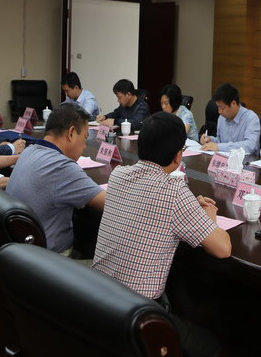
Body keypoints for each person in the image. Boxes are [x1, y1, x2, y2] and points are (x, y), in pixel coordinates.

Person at [93, 112, 231, 357]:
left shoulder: (118, 175)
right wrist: (209, 216)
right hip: (138, 314)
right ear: (178, 156)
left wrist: (190, 207)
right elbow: (223, 248)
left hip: (99, 299)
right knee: (211, 345)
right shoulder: (174, 192)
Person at [7, 103, 105, 255]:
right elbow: (111, 204)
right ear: (71, 132)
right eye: (85, 138)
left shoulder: (28, 151)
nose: (85, 146)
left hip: (19, 252)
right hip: (52, 260)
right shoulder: (62, 167)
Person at [199, 83, 260, 155]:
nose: (219, 111)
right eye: (218, 107)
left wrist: (218, 146)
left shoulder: (251, 118)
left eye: (222, 108)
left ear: (233, 104)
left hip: (246, 160)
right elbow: (220, 141)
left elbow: (250, 146)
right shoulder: (222, 117)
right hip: (224, 159)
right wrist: (210, 140)